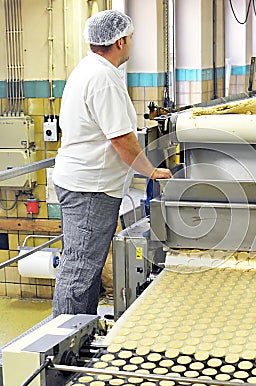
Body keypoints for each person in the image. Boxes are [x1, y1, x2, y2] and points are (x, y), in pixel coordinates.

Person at [52, 10, 172, 317]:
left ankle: (80, 331)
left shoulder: (89, 69)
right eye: (130, 38)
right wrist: (152, 171)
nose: (131, 43)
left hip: (82, 182)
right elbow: (121, 140)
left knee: (83, 267)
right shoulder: (104, 78)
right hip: (90, 189)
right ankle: (61, 344)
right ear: (120, 41)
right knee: (79, 270)